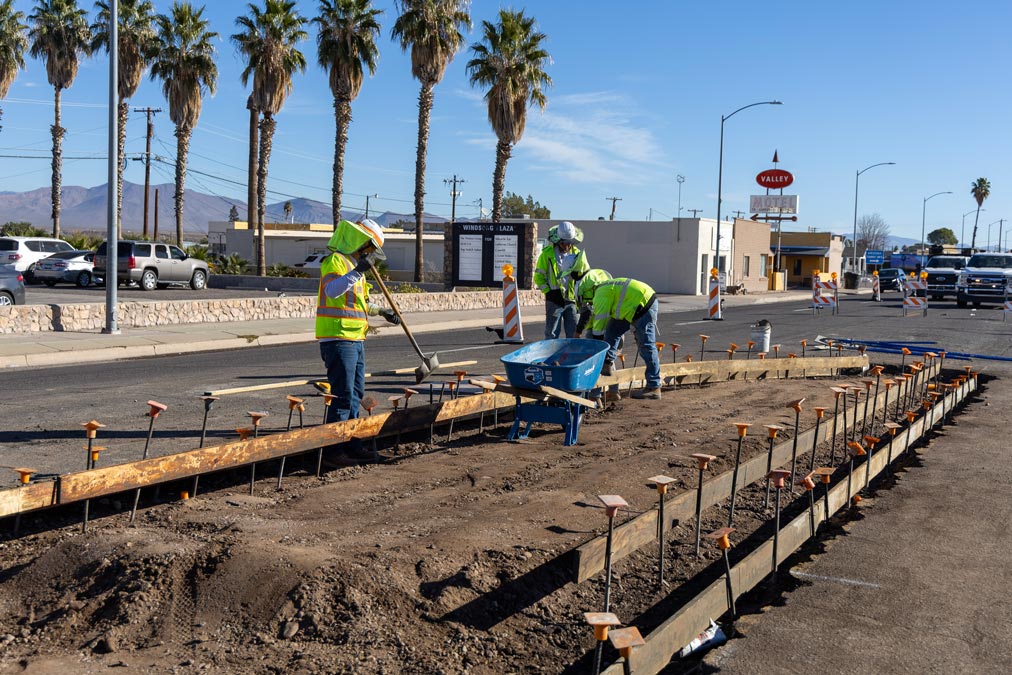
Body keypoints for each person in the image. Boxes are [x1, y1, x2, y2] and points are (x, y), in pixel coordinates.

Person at [316, 219, 400, 461]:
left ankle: (352, 444)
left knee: (355, 394)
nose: (370, 252)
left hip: (355, 338)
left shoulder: (354, 268)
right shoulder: (336, 261)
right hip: (338, 338)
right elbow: (333, 291)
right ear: (358, 240)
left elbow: (359, 303)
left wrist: (381, 311)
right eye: (369, 246)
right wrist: (357, 272)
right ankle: (334, 451)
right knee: (342, 396)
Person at [578, 275, 662, 400]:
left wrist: (597, 342)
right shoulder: (603, 289)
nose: (588, 303)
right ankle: (607, 362)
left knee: (646, 346)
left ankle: (654, 387)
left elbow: (600, 323)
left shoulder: (600, 295)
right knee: (611, 331)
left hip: (644, 305)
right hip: (630, 306)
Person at [534, 221, 589, 339]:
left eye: (569, 243)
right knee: (552, 334)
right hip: (554, 300)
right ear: (558, 240)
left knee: (574, 334)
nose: (567, 246)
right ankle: (551, 357)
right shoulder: (547, 254)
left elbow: (586, 275)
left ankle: (572, 357)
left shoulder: (578, 254)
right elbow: (538, 277)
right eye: (564, 243)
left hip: (572, 300)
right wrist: (549, 292)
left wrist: (579, 276)